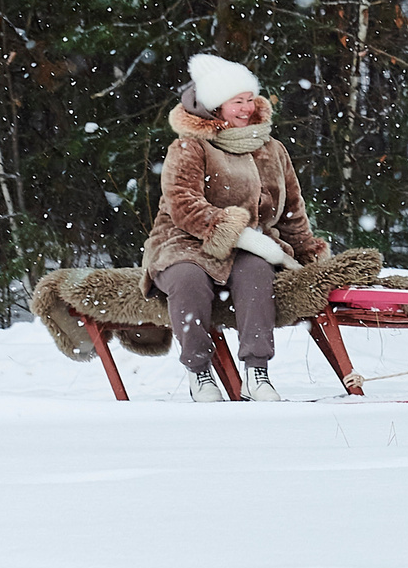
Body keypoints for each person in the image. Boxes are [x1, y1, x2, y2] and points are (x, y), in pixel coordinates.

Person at [139, 53, 327, 401]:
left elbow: (292, 210)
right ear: (214, 106)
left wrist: (306, 252)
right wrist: (235, 232)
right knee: (187, 279)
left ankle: (257, 372)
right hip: (185, 241)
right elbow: (183, 205)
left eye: (249, 99)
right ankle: (200, 373)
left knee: (256, 272)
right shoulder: (189, 146)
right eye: (235, 101)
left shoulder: (273, 149)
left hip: (254, 247)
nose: (245, 108)